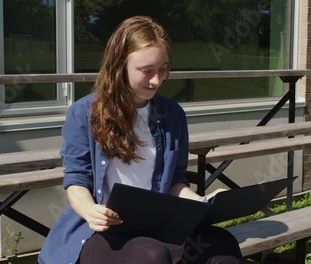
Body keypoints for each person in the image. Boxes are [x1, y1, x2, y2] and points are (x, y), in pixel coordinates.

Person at [38, 16, 243, 264]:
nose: (156, 80)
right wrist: (91, 211)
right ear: (119, 65)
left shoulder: (172, 114)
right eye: (146, 71)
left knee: (222, 244)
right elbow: (76, 180)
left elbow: (174, 182)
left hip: (155, 226)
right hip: (99, 230)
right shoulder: (84, 113)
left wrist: (203, 203)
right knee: (150, 256)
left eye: (163, 69)